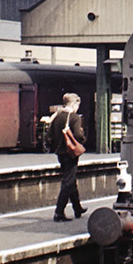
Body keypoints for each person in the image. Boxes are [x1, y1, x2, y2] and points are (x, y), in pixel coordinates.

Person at [48, 93, 87, 222]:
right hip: (70, 153)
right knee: (68, 181)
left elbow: (49, 137)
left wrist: (57, 146)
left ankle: (77, 208)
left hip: (60, 153)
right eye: (77, 105)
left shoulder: (56, 117)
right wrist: (83, 138)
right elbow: (77, 134)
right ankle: (59, 212)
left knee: (70, 178)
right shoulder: (75, 117)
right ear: (74, 104)